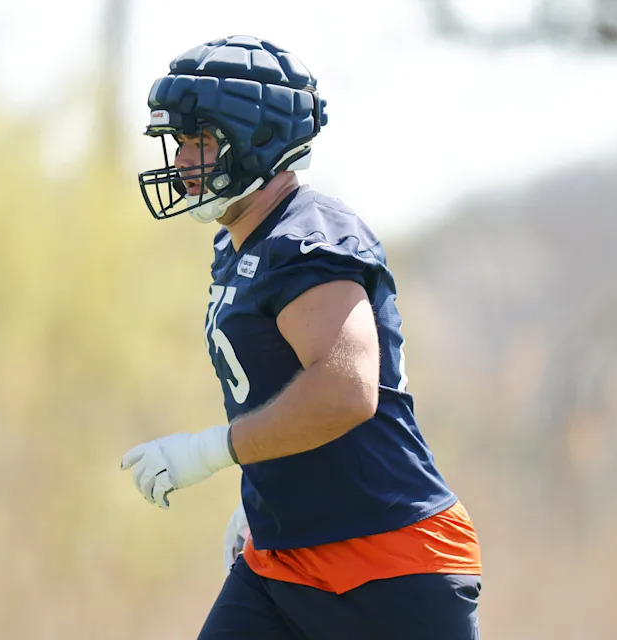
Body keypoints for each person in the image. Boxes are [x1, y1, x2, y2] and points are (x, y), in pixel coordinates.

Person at [121, 35, 482, 639]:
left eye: (201, 140)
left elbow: (345, 392)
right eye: (180, 142)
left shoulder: (308, 239)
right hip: (286, 560)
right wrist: (270, 495)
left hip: (387, 563)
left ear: (256, 140)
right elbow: (281, 387)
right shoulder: (240, 243)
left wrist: (210, 452)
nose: (183, 160)